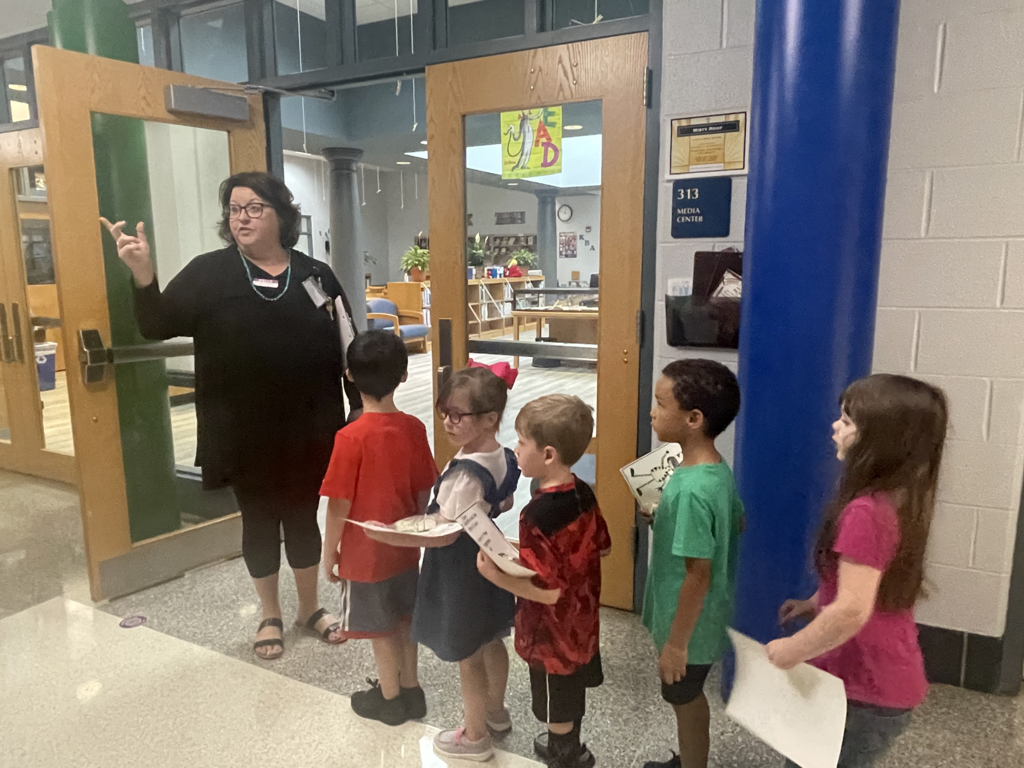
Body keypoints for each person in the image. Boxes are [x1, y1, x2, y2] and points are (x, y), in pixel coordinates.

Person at [100, 171, 362, 660]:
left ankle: (310, 608)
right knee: (260, 520)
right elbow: (156, 324)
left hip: (311, 423)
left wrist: (358, 406)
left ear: (281, 215)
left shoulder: (315, 275)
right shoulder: (209, 273)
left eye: (254, 207)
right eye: (235, 209)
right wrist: (142, 272)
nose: (242, 217)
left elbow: (346, 342)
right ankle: (270, 614)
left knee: (305, 517)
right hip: (241, 427)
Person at [767, 374, 947, 768]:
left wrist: (790, 651)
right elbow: (860, 579)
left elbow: (851, 609)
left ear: (881, 440)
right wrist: (814, 602)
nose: (836, 426)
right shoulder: (901, 498)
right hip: (871, 679)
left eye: (848, 421)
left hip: (865, 689)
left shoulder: (866, 512)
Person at [477, 394, 610, 768]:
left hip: (552, 635)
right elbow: (602, 548)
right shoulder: (583, 491)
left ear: (548, 454)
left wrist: (494, 574)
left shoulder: (537, 513)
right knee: (572, 691)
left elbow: (547, 592)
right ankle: (571, 744)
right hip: (583, 622)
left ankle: (564, 755)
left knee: (555, 702)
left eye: (521, 442)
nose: (515, 449)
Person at [319, 330, 438, 726]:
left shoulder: (349, 438)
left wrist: (329, 554)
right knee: (404, 619)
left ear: (348, 374)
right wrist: (414, 532)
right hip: (405, 550)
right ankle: (412, 689)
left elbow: (339, 505)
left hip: (364, 553)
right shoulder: (414, 428)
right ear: (403, 376)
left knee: (380, 628)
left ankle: (389, 700)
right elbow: (424, 490)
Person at [407, 368, 520, 763]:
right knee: (492, 637)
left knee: (468, 655)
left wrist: (403, 533)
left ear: (489, 418)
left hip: (458, 568)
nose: (447, 422)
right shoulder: (502, 455)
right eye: (443, 413)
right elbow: (503, 502)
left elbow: (445, 530)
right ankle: (496, 712)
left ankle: (474, 737)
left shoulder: (466, 474)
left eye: (458, 415)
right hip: (489, 557)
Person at [641, 359, 744, 768]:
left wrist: (676, 645)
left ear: (694, 418)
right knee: (684, 696)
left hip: (688, 624)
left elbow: (698, 575)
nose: (652, 412)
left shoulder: (689, 491)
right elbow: (737, 521)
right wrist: (665, 518)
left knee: (683, 697)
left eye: (660, 404)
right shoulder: (715, 471)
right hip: (706, 614)